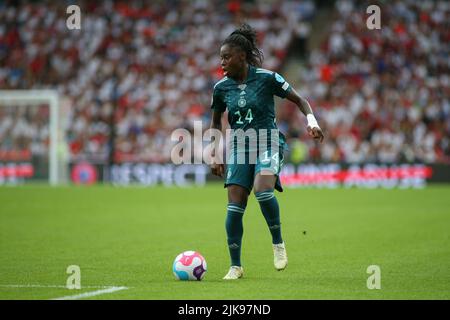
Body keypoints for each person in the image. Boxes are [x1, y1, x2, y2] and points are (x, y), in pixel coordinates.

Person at [209, 23, 324, 280]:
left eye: (226, 57)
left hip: (268, 141)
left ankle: (278, 244)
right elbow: (216, 122)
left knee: (263, 191)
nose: (222, 62)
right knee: (234, 206)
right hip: (239, 145)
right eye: (221, 57)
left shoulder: (268, 78)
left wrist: (312, 122)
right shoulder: (221, 88)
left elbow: (300, 100)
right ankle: (236, 266)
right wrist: (215, 154)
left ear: (241, 56)